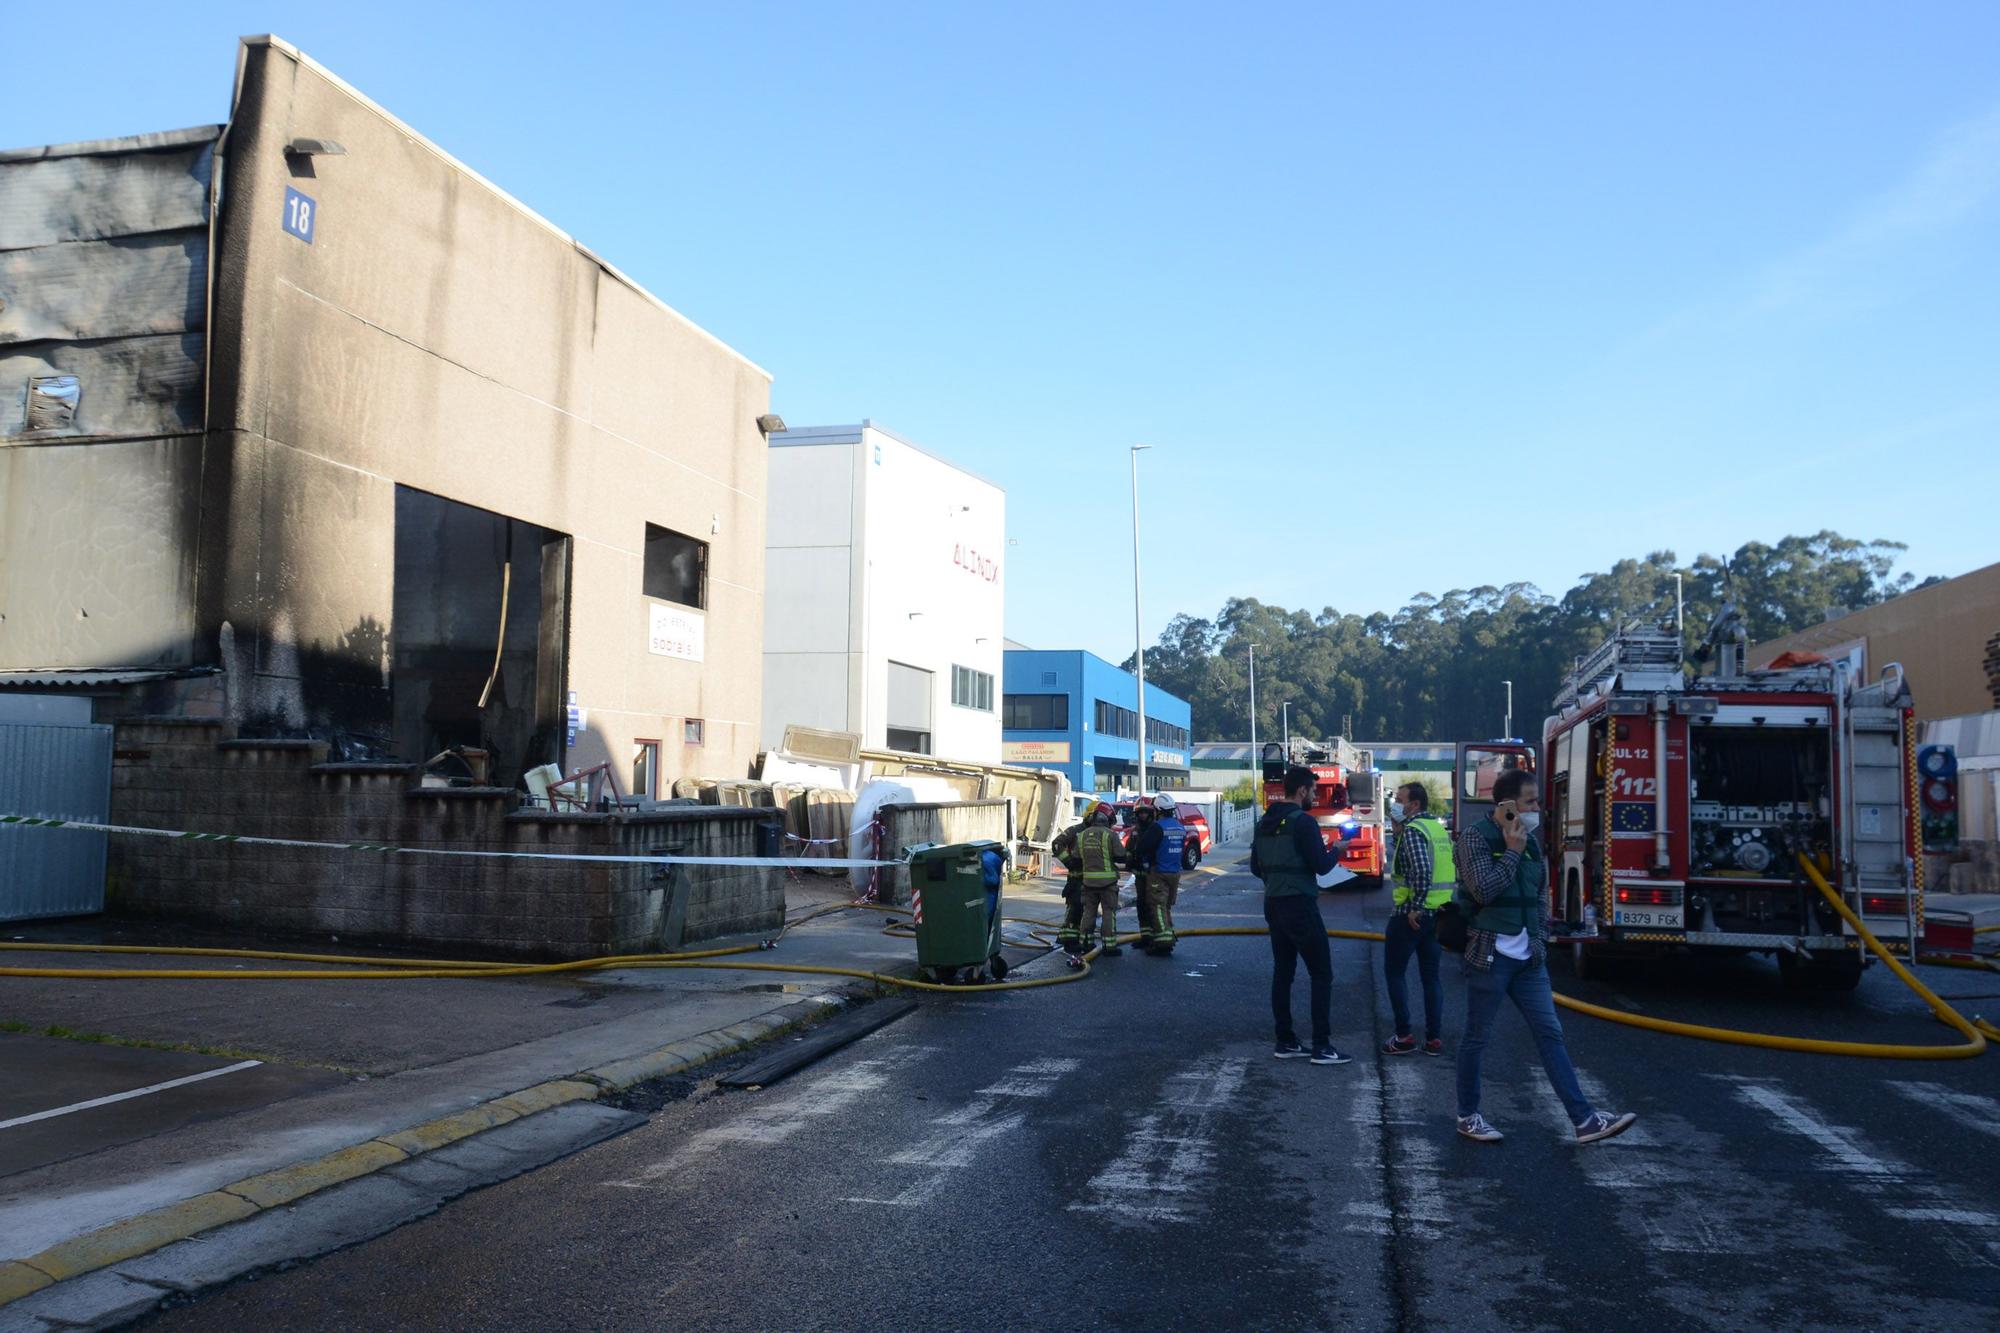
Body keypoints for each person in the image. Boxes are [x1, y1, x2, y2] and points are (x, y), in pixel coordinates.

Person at [1454, 768, 1637, 1145]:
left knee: (1550, 1033)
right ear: (1506, 804)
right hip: (1490, 954)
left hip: (1528, 958)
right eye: (1531, 801)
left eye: (1538, 800)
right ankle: (1468, 1115)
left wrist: (1539, 937)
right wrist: (1512, 851)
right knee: (1477, 1038)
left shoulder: (1533, 843)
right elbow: (1484, 890)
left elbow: (1539, 894)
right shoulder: (1475, 838)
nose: (1538, 808)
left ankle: (1584, 1120)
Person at [1249, 765, 1351, 1065]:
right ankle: (1322, 1046)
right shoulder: (1304, 823)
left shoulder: (1264, 822)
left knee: (1283, 973)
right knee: (1321, 973)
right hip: (1300, 906)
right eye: (1314, 791)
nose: (1316, 796)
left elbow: (1256, 868)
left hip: (1274, 905)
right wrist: (1337, 850)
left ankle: (1286, 1041)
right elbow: (1321, 866)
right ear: (1302, 790)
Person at [1381, 783, 1454, 1056]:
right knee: (1430, 978)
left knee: (1395, 973)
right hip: (1437, 916)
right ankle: (1434, 1039)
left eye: (1399, 800)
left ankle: (1404, 1036)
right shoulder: (1436, 828)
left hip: (1409, 916)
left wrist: (1416, 907)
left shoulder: (1413, 831)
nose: (1395, 805)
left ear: (1414, 805)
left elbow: (1422, 870)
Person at [1128, 794, 1186, 955]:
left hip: (1159, 871)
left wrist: (1142, 857)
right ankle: (1167, 935)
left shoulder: (1158, 827)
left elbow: (1142, 848)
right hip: (1175, 872)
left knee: (1157, 907)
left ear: (1158, 810)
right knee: (1166, 907)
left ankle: (1163, 942)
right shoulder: (1180, 827)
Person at [1073, 801, 1127, 961]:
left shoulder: (1082, 835)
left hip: (1088, 882)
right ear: (1107, 820)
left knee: (1088, 913)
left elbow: (1076, 857)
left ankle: (1085, 944)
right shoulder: (1110, 835)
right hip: (1108, 883)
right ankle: (1109, 946)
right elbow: (1120, 855)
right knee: (1108, 913)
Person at [1051, 804, 1093, 959]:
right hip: (1076, 878)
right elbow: (1056, 844)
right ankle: (1069, 940)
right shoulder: (1076, 830)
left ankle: (1080, 939)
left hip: (1090, 879)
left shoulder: (1096, 832)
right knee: (1074, 909)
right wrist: (1068, 861)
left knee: (1086, 911)